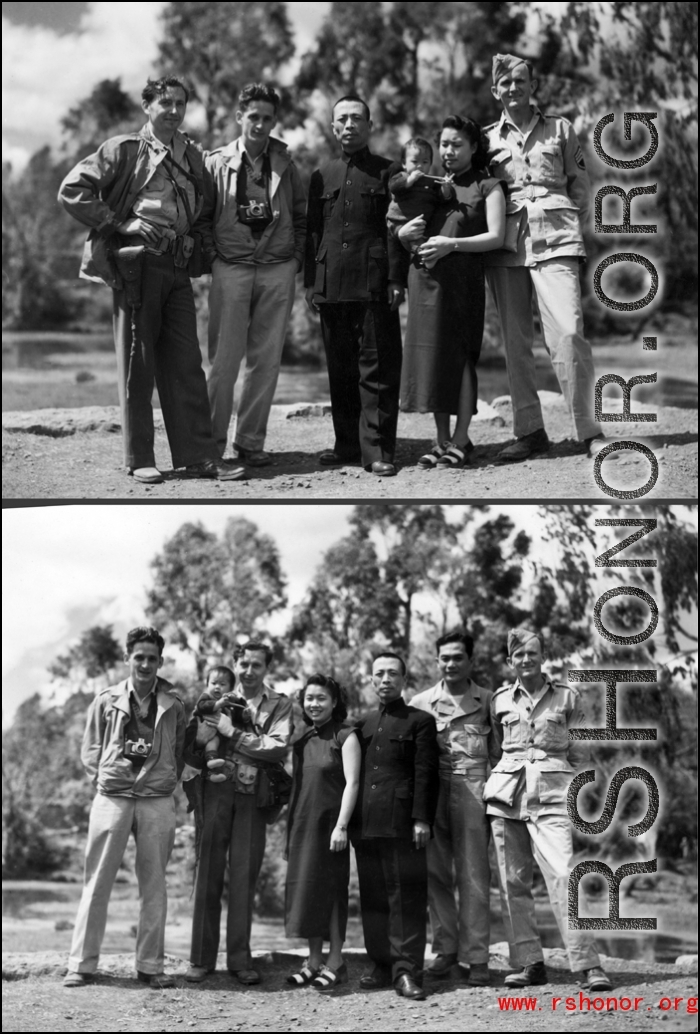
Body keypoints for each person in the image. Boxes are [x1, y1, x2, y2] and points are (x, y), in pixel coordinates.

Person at [58, 76, 244, 485]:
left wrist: (197, 244)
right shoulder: (124, 149)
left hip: (177, 266)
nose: (174, 110)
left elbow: (204, 205)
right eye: (165, 102)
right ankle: (139, 457)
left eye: (180, 103)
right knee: (136, 364)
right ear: (147, 106)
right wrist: (120, 223)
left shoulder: (192, 155)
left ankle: (199, 457)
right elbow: (73, 189)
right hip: (137, 264)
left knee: (186, 365)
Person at [484, 54, 609, 463]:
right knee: (516, 342)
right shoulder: (485, 140)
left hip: (557, 240)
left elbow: (581, 187)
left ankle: (589, 430)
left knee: (569, 335)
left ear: (533, 85)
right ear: (495, 91)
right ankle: (530, 432)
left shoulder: (561, 129)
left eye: (521, 80)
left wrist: (568, 226)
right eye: (505, 83)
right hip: (506, 246)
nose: (513, 88)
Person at [485, 628, 613, 991]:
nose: (525, 660)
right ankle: (529, 963)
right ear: (510, 661)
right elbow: (498, 748)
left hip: (554, 797)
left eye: (532, 653)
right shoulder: (498, 701)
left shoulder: (566, 698)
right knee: (512, 884)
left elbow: (581, 751)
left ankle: (588, 965)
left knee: (563, 876)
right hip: (506, 797)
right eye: (518, 655)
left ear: (543, 657)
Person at [63, 627, 186, 989]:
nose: (145, 664)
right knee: (97, 882)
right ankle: (81, 965)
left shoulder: (174, 704)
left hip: (156, 800)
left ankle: (150, 966)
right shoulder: (105, 699)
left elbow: (178, 751)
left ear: (161, 661)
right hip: (112, 798)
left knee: (154, 886)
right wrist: (105, 782)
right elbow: (90, 750)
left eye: (152, 658)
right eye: (139, 657)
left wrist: (163, 780)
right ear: (127, 659)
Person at [199, 83, 307, 467]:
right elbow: (202, 217)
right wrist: (214, 259)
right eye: (254, 117)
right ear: (239, 117)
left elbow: (302, 215)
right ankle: (211, 446)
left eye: (268, 118)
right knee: (225, 361)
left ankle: (249, 441)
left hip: (278, 268)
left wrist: (295, 260)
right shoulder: (215, 162)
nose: (260, 125)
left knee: (266, 360)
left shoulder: (286, 164)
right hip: (231, 266)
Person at [304, 95, 409, 477]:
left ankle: (378, 449)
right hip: (331, 283)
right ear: (333, 128)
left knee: (376, 368)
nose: (349, 125)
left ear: (370, 126)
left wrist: (397, 278)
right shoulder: (322, 175)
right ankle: (347, 444)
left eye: (356, 119)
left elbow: (397, 229)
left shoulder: (389, 171)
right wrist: (310, 282)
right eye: (342, 120)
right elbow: (313, 232)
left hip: (374, 281)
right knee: (340, 368)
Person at [397, 116, 506, 471]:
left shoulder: (488, 186)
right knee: (433, 360)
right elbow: (400, 218)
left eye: (456, 144)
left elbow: (496, 237)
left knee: (459, 358)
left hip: (462, 285)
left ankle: (462, 439)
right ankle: (441, 440)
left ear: (474, 147)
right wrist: (404, 234)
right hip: (424, 283)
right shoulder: (429, 185)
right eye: (443, 144)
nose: (448, 151)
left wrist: (451, 244)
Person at [184, 641, 293, 986]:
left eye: (257, 665)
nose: (248, 671)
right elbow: (190, 744)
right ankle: (200, 960)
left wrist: (234, 733)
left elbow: (278, 747)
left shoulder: (280, 704)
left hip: (252, 796)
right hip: (214, 792)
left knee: (245, 877)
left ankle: (240, 960)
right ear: (235, 664)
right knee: (207, 876)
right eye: (243, 664)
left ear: (266, 668)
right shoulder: (212, 696)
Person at [411, 630, 499, 986]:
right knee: (435, 876)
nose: (450, 664)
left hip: (473, 795)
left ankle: (476, 957)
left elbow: (500, 757)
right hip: (432, 797)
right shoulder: (420, 703)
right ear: (437, 662)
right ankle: (445, 950)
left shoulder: (489, 701)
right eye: (444, 658)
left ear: (471, 661)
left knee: (474, 877)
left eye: (457, 657)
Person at [351, 653, 439, 1000]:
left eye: (392, 673)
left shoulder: (420, 721)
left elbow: (426, 774)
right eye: (379, 674)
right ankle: (381, 964)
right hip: (366, 824)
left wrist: (421, 819)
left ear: (404, 679)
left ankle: (407, 972)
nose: (385, 679)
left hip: (404, 824)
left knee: (407, 899)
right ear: (371, 680)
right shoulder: (364, 724)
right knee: (373, 899)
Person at [284, 675, 360, 991]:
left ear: (334, 702)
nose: (314, 704)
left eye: (321, 698)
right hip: (303, 824)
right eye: (309, 698)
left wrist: (342, 825)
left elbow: (353, 784)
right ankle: (313, 961)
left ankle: (336, 961)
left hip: (331, 826)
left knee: (332, 893)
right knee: (308, 892)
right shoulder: (301, 742)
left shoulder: (346, 736)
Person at [386, 138, 455, 263]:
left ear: (430, 164)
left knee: (422, 240)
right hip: (399, 221)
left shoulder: (432, 182)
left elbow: (443, 199)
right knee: (411, 241)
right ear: (403, 163)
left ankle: (423, 256)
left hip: (420, 226)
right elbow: (393, 187)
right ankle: (422, 255)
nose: (420, 166)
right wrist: (409, 180)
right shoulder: (402, 176)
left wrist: (445, 187)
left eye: (425, 162)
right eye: (414, 161)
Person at [189, 665, 246, 779]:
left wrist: (244, 715)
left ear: (230, 689)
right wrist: (218, 704)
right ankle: (212, 765)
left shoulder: (229, 701)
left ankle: (215, 774)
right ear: (207, 685)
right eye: (213, 683)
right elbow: (202, 706)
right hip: (205, 730)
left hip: (221, 736)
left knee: (222, 751)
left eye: (222, 684)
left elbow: (236, 716)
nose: (217, 687)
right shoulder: (206, 697)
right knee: (213, 743)